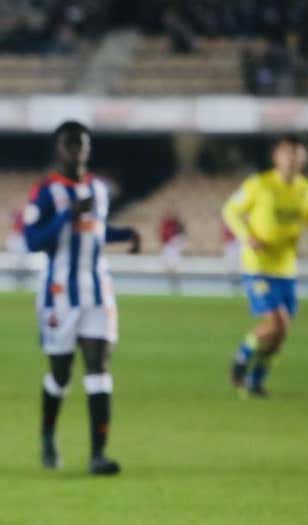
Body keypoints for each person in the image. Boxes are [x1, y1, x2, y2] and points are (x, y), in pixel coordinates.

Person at [22, 121, 139, 476]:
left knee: (98, 368)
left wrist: (127, 234)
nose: (77, 151)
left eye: (82, 144)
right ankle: (47, 435)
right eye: (70, 145)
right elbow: (32, 241)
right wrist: (65, 217)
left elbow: (96, 234)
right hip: (59, 295)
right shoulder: (44, 193)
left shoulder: (99, 190)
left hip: (97, 292)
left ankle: (98, 455)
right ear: (58, 149)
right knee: (60, 374)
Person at [223, 134, 308, 398]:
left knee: (281, 334)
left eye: (297, 154)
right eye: (287, 153)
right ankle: (241, 356)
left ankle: (256, 382)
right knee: (275, 321)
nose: (292, 159)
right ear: (276, 157)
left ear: (303, 159)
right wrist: (246, 236)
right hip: (258, 266)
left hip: (286, 270)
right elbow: (229, 210)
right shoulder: (259, 184)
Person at [159, 210, 187, 294]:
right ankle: (172, 287)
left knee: (174, 269)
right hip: (169, 249)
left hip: (173, 251)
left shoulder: (177, 232)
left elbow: (181, 241)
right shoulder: (168, 227)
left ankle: (176, 287)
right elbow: (163, 237)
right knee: (169, 269)